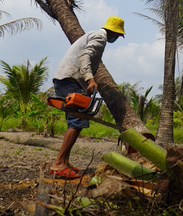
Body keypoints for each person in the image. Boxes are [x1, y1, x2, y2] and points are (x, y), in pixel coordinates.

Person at [48, 16, 125, 178]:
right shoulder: (100, 38)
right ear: (114, 32)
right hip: (70, 80)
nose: (117, 38)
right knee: (78, 121)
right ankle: (59, 164)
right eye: (118, 35)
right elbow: (85, 57)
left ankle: (65, 162)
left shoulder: (93, 34)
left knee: (74, 121)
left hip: (65, 79)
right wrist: (90, 79)